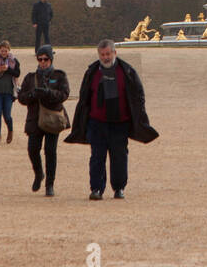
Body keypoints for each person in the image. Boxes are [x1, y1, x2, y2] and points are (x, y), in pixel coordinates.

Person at [64, 39, 158, 200]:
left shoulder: (127, 71)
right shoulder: (92, 72)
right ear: (99, 55)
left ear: (115, 53)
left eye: (108, 54)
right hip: (97, 122)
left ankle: (119, 188)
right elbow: (84, 97)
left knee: (119, 158)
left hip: (120, 123)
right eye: (102, 55)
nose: (106, 57)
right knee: (96, 157)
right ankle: (96, 189)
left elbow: (138, 95)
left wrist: (137, 115)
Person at [19, 44, 71, 196]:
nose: (42, 62)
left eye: (45, 59)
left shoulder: (59, 75)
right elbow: (22, 98)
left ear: (51, 59)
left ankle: (50, 184)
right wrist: (32, 95)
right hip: (35, 119)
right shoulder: (30, 78)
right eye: (40, 59)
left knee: (50, 151)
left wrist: (49, 93)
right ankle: (38, 173)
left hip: (52, 118)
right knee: (32, 149)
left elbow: (64, 94)